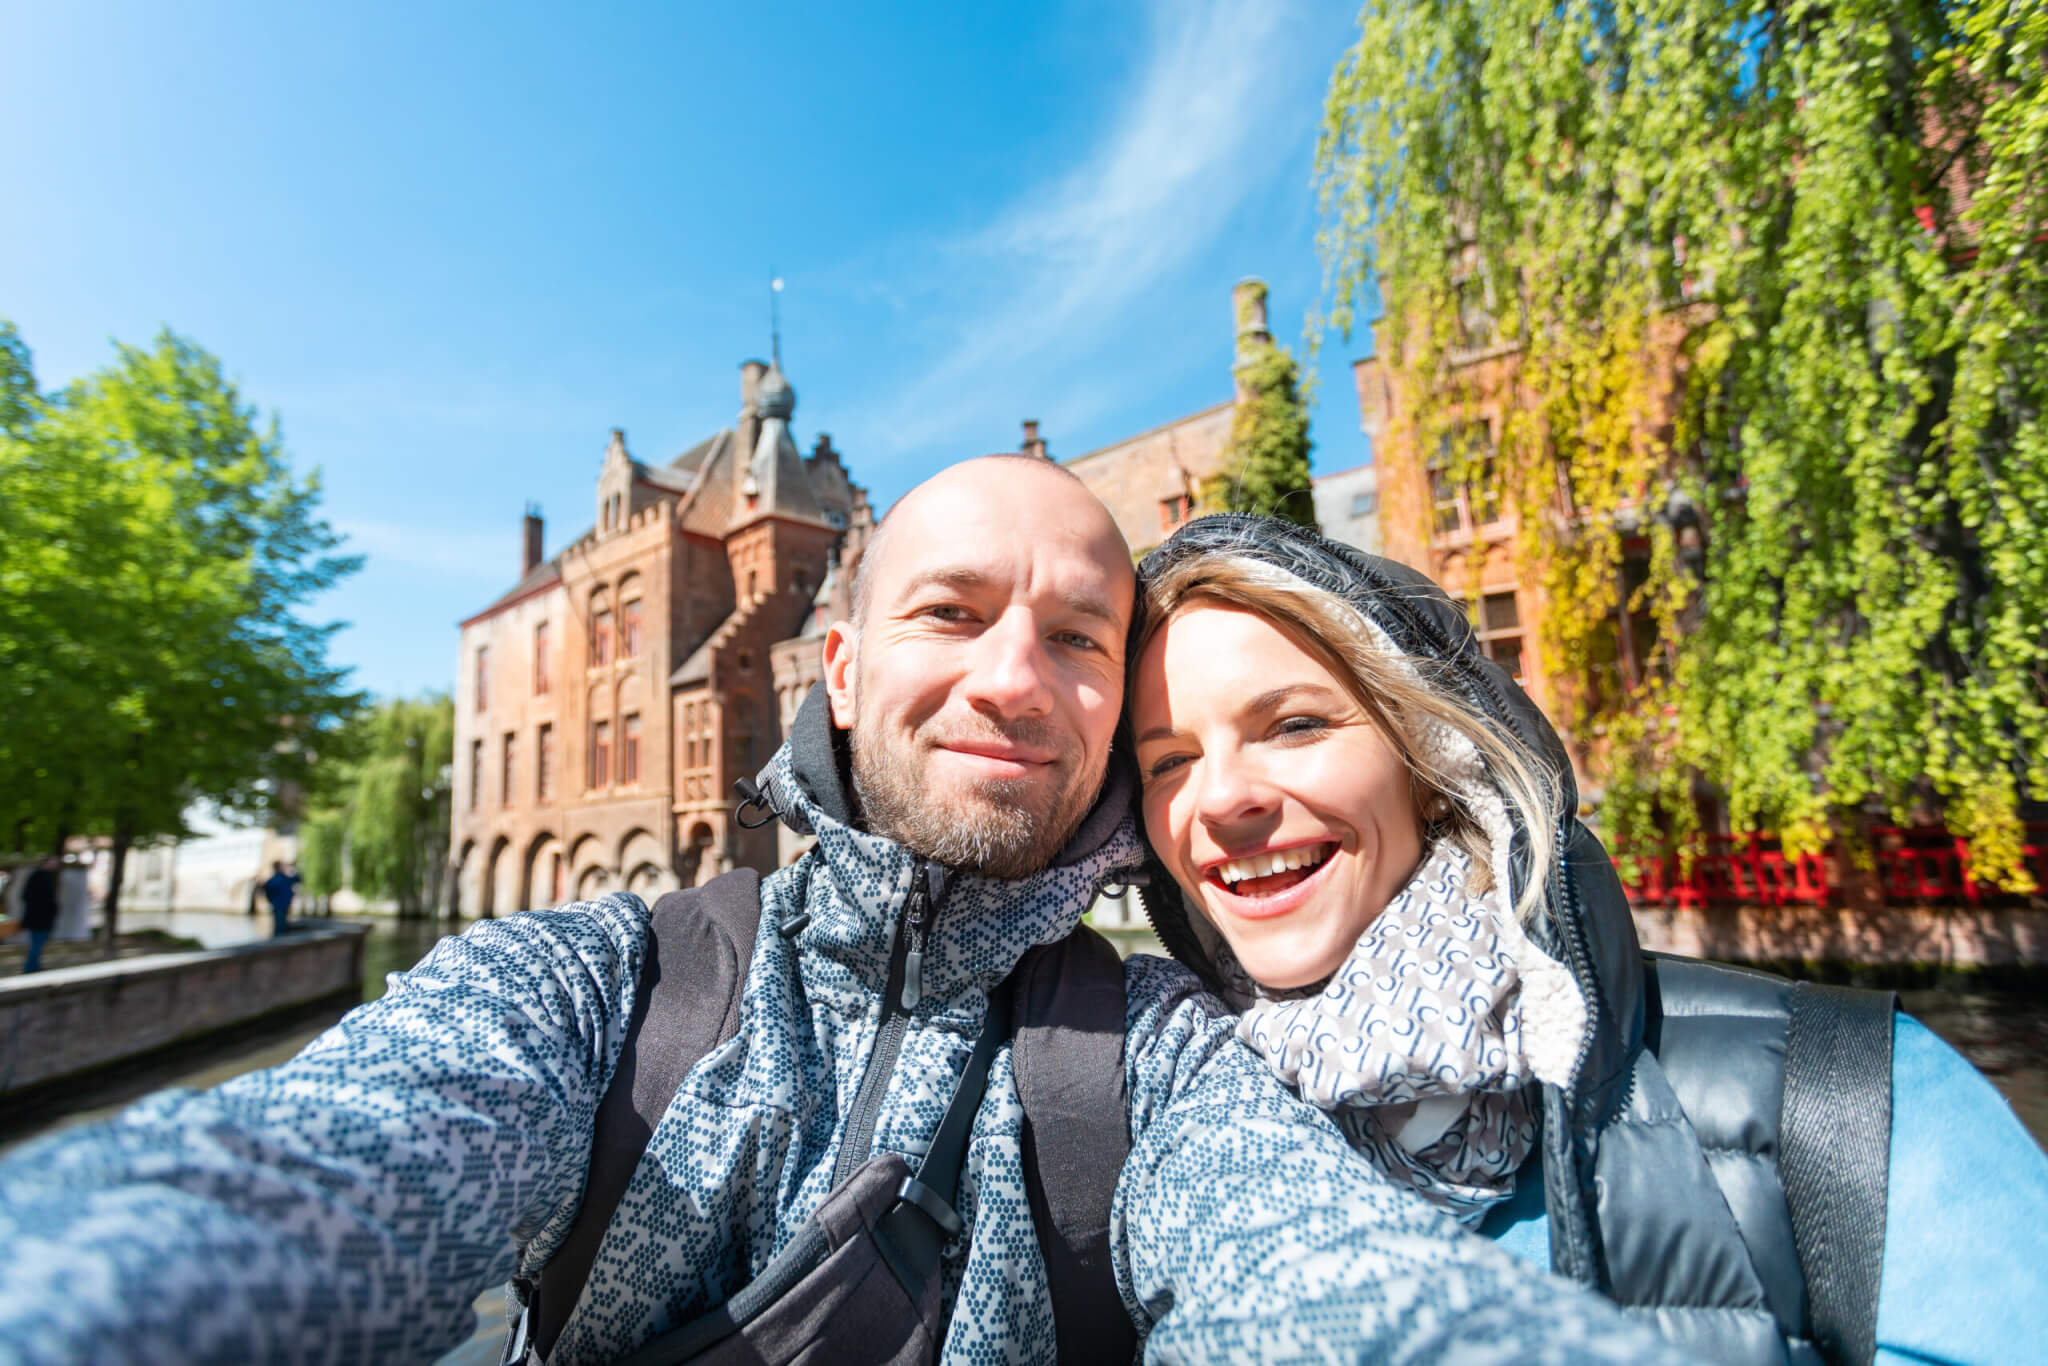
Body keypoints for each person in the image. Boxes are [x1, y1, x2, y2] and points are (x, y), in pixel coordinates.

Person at [0, 458, 1684, 1365]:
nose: (1010, 676)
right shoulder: (605, 989)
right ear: (841, 658)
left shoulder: (1157, 1061)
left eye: (1079, 637)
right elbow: (319, 1177)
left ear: (1112, 712)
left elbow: (1323, 1284)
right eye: (950, 610)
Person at [1127, 512, 2048, 1366]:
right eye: (1169, 761)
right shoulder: (1150, 1135)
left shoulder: (1849, 1098)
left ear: (1432, 763)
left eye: (1293, 725)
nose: (1219, 799)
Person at [18, 855, 61, 974]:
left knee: (37, 943)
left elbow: (26, 896)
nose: (56, 865)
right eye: (54, 862)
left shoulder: (40, 876)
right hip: (40, 918)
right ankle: (31, 967)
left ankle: (34, 966)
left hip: (38, 917)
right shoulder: (41, 877)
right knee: (37, 943)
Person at [261, 860, 300, 936]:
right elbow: (298, 879)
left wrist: (270, 900)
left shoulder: (273, 880)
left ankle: (277, 939)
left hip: (277, 904)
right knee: (280, 926)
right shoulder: (283, 879)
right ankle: (278, 940)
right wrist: (292, 869)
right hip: (282, 905)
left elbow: (265, 889)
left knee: (280, 925)